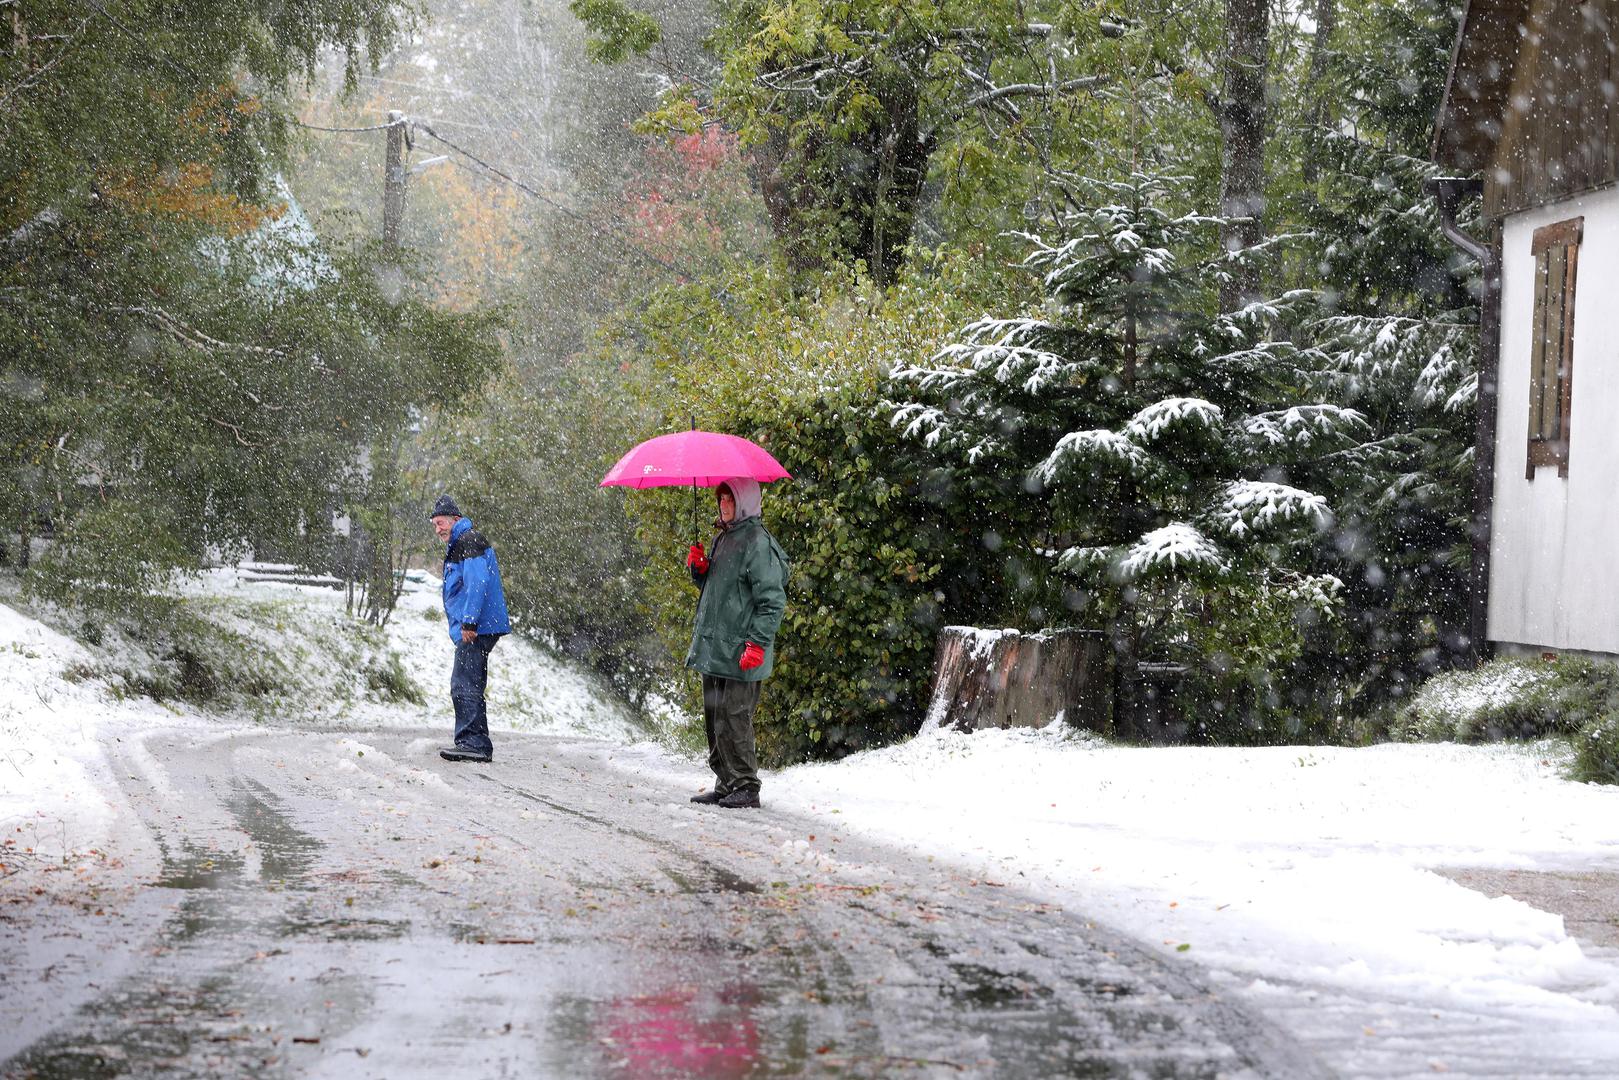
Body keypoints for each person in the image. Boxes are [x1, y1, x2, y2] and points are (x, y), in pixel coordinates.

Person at [684, 478, 789, 809]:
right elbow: (722, 588)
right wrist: (700, 570)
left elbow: (772, 600)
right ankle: (726, 782)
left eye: (730, 500)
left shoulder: (758, 543)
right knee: (715, 716)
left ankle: (746, 785)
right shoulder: (722, 538)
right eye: (721, 500)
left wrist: (757, 643)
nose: (723, 506)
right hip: (716, 648)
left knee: (734, 716)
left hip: (743, 649)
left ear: (744, 502)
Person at [428, 495, 511, 763]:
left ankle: (473, 743)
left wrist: (469, 622)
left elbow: (477, 582)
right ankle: (474, 741)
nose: (438, 528)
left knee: (464, 682)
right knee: (469, 680)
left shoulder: (468, 540)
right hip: (476, 625)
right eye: (435, 524)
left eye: (441, 522)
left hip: (476, 627)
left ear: (455, 519)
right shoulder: (461, 541)